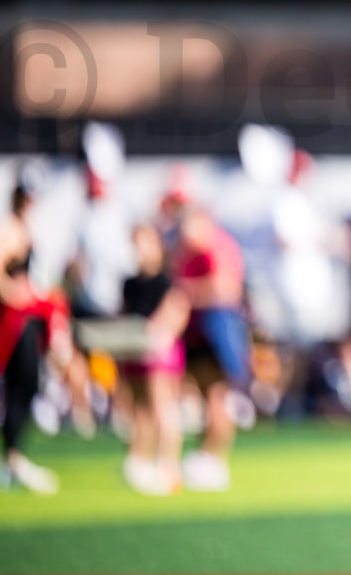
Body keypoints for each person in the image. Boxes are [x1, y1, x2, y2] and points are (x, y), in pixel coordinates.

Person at [0, 179, 68, 494]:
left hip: (27, 318)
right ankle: (11, 458)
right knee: (23, 383)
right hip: (16, 321)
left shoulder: (21, 226)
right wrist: (10, 291)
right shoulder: (11, 228)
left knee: (25, 385)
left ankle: (12, 456)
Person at [173, 206, 251, 491]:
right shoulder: (189, 250)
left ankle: (214, 458)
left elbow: (226, 288)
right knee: (206, 394)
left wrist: (186, 291)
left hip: (218, 326)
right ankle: (204, 455)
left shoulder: (216, 247)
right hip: (199, 329)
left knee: (218, 395)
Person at [119, 222, 190, 495]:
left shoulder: (167, 281)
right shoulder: (130, 283)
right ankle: (139, 461)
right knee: (140, 408)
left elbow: (176, 312)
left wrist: (158, 335)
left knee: (162, 407)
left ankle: (168, 466)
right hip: (135, 351)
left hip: (160, 352)